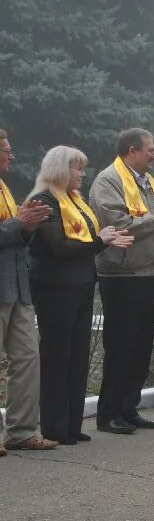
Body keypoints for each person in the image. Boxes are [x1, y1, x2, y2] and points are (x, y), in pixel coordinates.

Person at [27, 146, 133, 447]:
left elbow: (86, 242)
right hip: (55, 289)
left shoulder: (76, 202)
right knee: (57, 356)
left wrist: (105, 240)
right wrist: (101, 242)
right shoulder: (43, 201)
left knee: (77, 357)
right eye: (77, 168)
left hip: (82, 286)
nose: (83, 174)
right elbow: (60, 247)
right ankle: (54, 426)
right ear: (60, 169)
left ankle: (72, 424)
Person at [89, 128, 154, 435]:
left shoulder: (147, 182)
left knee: (141, 345)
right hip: (120, 274)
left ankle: (128, 408)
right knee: (121, 345)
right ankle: (109, 413)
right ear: (132, 150)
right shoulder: (109, 180)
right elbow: (118, 224)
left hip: (145, 271)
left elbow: (152, 221)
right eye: (150, 149)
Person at [0, 128, 53, 454]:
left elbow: (16, 235)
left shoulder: (4, 188)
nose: (12, 155)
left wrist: (28, 226)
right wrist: (19, 223)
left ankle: (20, 431)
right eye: (6, 149)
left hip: (17, 285)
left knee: (27, 358)